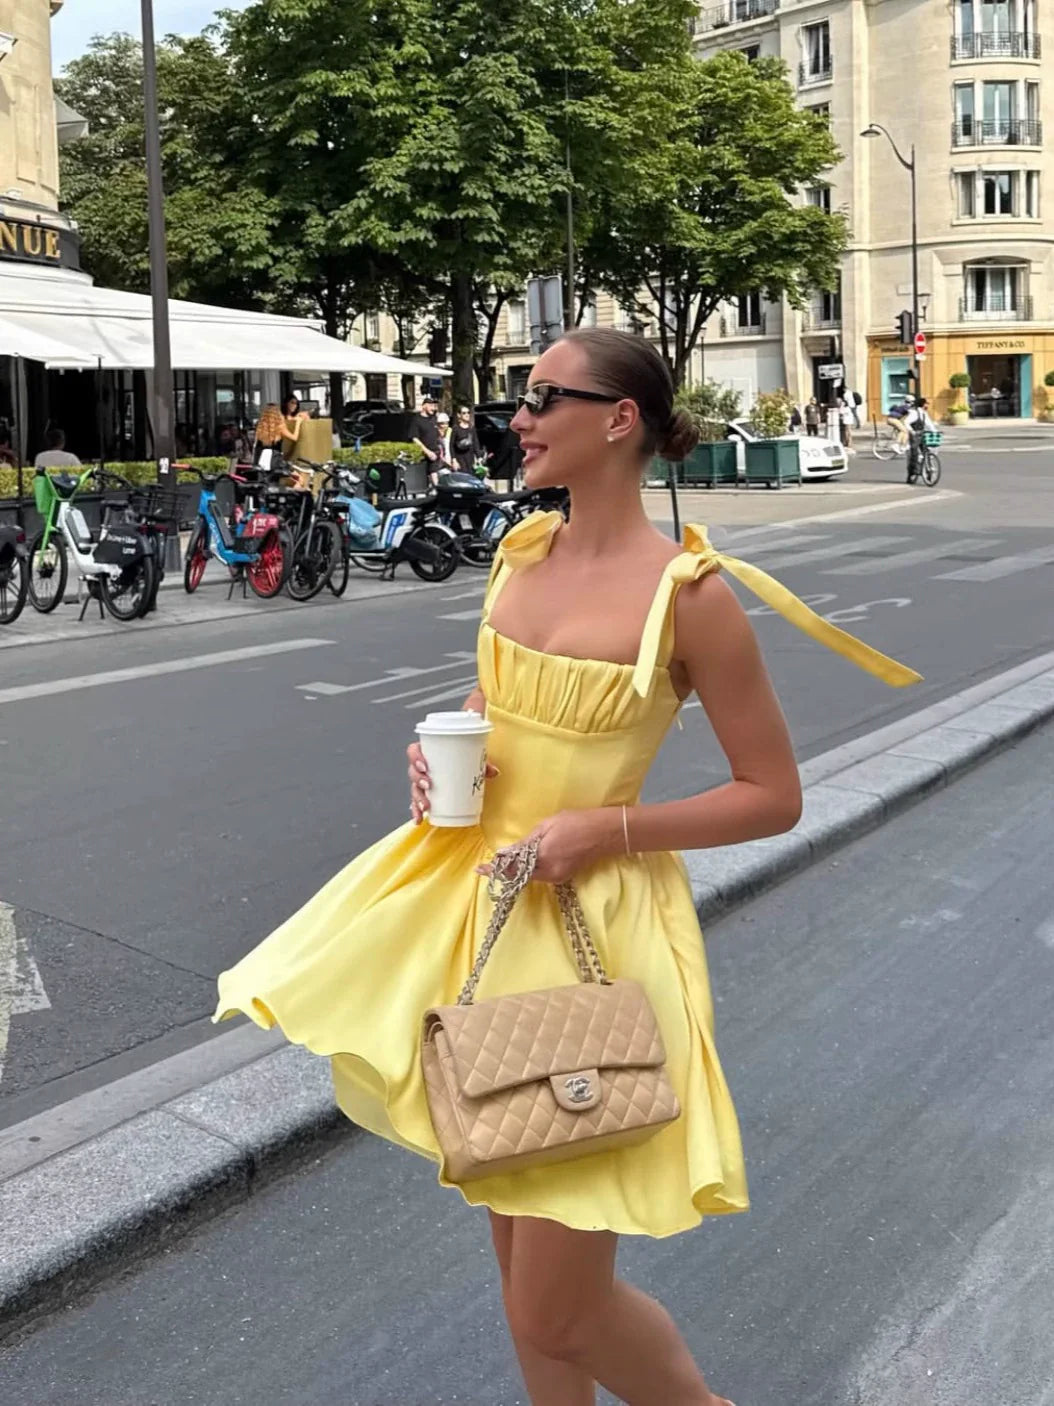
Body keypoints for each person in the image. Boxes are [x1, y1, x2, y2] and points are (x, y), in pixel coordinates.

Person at [214, 326, 920, 1406]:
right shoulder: (521, 553)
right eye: (521, 394)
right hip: (483, 911)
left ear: (619, 419)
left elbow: (771, 793)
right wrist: (439, 751)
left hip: (600, 936)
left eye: (545, 396)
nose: (522, 417)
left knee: (559, 1303)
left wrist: (607, 829)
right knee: (518, 1279)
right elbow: (492, 707)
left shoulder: (691, 595)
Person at [410, 393, 443, 484]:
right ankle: (437, 492)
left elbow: (438, 436)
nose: (434, 408)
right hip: (424, 455)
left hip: (436, 453)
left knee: (434, 474)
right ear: (424, 406)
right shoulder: (416, 420)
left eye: (435, 406)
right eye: (431, 406)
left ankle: (437, 491)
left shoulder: (434, 418)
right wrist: (427, 452)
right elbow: (415, 438)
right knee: (430, 476)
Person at [904, 397, 937, 483]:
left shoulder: (924, 413)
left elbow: (929, 424)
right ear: (922, 404)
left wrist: (935, 432)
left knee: (927, 451)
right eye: (926, 404)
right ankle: (912, 473)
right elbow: (906, 422)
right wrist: (911, 431)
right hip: (915, 435)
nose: (927, 405)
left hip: (922, 434)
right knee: (914, 454)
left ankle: (928, 470)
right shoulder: (914, 413)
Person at [451, 404, 484, 474]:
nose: (467, 414)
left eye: (468, 412)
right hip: (459, 460)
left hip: (470, 460)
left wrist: (479, 457)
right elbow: (451, 446)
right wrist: (454, 460)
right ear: (459, 415)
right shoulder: (456, 429)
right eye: (464, 413)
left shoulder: (471, 429)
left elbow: (476, 443)